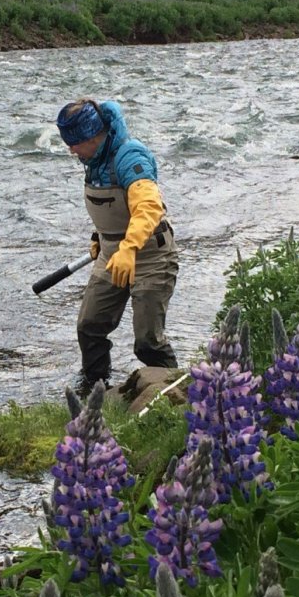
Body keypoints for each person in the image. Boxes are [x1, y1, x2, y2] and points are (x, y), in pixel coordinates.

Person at [55, 98, 179, 393]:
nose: (71, 150)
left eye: (75, 143)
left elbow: (147, 208)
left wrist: (128, 248)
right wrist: (100, 237)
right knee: (89, 327)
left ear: (94, 136)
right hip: (113, 254)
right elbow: (112, 208)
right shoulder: (93, 160)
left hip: (150, 255)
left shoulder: (129, 157)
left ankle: (175, 394)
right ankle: (94, 390)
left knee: (148, 342)